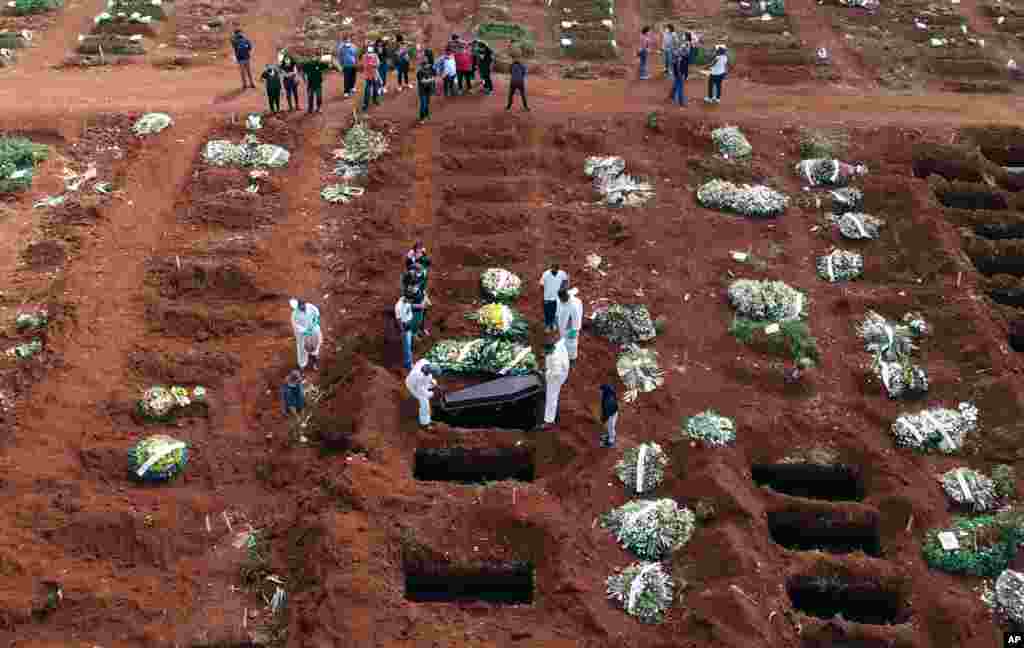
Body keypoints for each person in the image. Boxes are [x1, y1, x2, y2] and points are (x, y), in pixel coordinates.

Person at [543, 335, 570, 428]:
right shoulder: (559, 344)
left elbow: (556, 373)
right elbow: (563, 339)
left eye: (546, 352)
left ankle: (549, 421)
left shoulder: (555, 359)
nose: (545, 353)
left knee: (551, 397)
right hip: (563, 368)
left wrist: (546, 374)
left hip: (557, 376)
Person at [290, 298, 322, 370]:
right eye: (300, 307)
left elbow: (316, 312)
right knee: (302, 349)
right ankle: (302, 365)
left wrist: (316, 319)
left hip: (313, 329)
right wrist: (305, 331)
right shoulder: (294, 315)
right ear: (298, 306)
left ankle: (315, 359)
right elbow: (296, 326)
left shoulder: (310, 306)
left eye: (303, 306)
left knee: (315, 344)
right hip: (302, 335)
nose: (302, 308)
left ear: (305, 304)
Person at [405, 360, 438, 427]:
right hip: (412, 386)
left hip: (416, 381)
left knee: (434, 383)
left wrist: (432, 382)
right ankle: (425, 423)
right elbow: (421, 391)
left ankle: (426, 421)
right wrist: (432, 394)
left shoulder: (424, 361)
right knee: (424, 402)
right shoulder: (421, 377)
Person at [556, 286, 583, 366]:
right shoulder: (561, 299)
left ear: (565, 297)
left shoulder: (573, 306)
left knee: (571, 345)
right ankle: (564, 352)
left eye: (562, 299)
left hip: (570, 328)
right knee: (563, 341)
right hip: (563, 324)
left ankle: (572, 359)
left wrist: (574, 331)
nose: (560, 300)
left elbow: (577, 320)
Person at [539, 264, 568, 333]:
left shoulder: (562, 273)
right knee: (548, 312)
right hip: (548, 297)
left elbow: (565, 281)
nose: (555, 271)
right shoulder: (546, 274)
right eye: (553, 269)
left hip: (557, 297)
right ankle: (548, 325)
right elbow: (541, 284)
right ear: (551, 268)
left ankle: (554, 323)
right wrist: (543, 294)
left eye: (556, 270)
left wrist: (563, 289)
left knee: (556, 311)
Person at [279, 369, 306, 443]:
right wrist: (296, 415)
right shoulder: (287, 389)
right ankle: (298, 435)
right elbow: (288, 402)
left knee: (300, 419)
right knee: (296, 420)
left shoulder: (298, 383)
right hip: (291, 405)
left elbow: (301, 392)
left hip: (298, 402)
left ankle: (297, 430)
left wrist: (303, 402)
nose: (299, 381)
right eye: (298, 380)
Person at [396, 289, 416, 369]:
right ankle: (408, 364)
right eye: (410, 300)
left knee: (409, 344)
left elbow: (410, 306)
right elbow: (399, 320)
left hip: (409, 323)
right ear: (406, 298)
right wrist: (403, 330)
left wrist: (420, 306)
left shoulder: (406, 300)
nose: (411, 301)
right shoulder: (398, 307)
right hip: (405, 326)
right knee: (407, 346)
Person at [671, 32, 691, 106]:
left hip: (678, 65)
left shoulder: (684, 45)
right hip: (680, 66)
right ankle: (681, 101)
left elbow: (679, 53)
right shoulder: (685, 45)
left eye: (684, 35)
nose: (682, 36)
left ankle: (672, 95)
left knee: (677, 81)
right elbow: (684, 54)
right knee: (680, 83)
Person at [362, 45, 381, 111]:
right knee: (367, 90)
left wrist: (372, 64)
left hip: (374, 75)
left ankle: (375, 100)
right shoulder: (364, 56)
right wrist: (372, 64)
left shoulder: (375, 56)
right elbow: (365, 65)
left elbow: (378, 64)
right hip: (368, 76)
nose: (370, 53)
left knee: (375, 88)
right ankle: (365, 103)